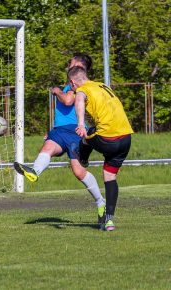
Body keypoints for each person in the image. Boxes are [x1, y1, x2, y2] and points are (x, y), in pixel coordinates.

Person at [14, 53, 106, 225]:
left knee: (78, 172)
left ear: (79, 64)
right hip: (60, 130)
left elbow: (69, 101)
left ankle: (101, 203)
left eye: (70, 62)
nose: (68, 64)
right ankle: (35, 171)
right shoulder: (71, 83)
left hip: (74, 132)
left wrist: (56, 91)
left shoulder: (78, 84)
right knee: (47, 148)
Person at [68, 66, 133, 231]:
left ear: (72, 82)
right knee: (109, 176)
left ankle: (83, 159)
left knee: (86, 137)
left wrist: (81, 124)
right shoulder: (103, 85)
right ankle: (109, 220)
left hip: (107, 138)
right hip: (126, 137)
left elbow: (80, 100)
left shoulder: (82, 90)